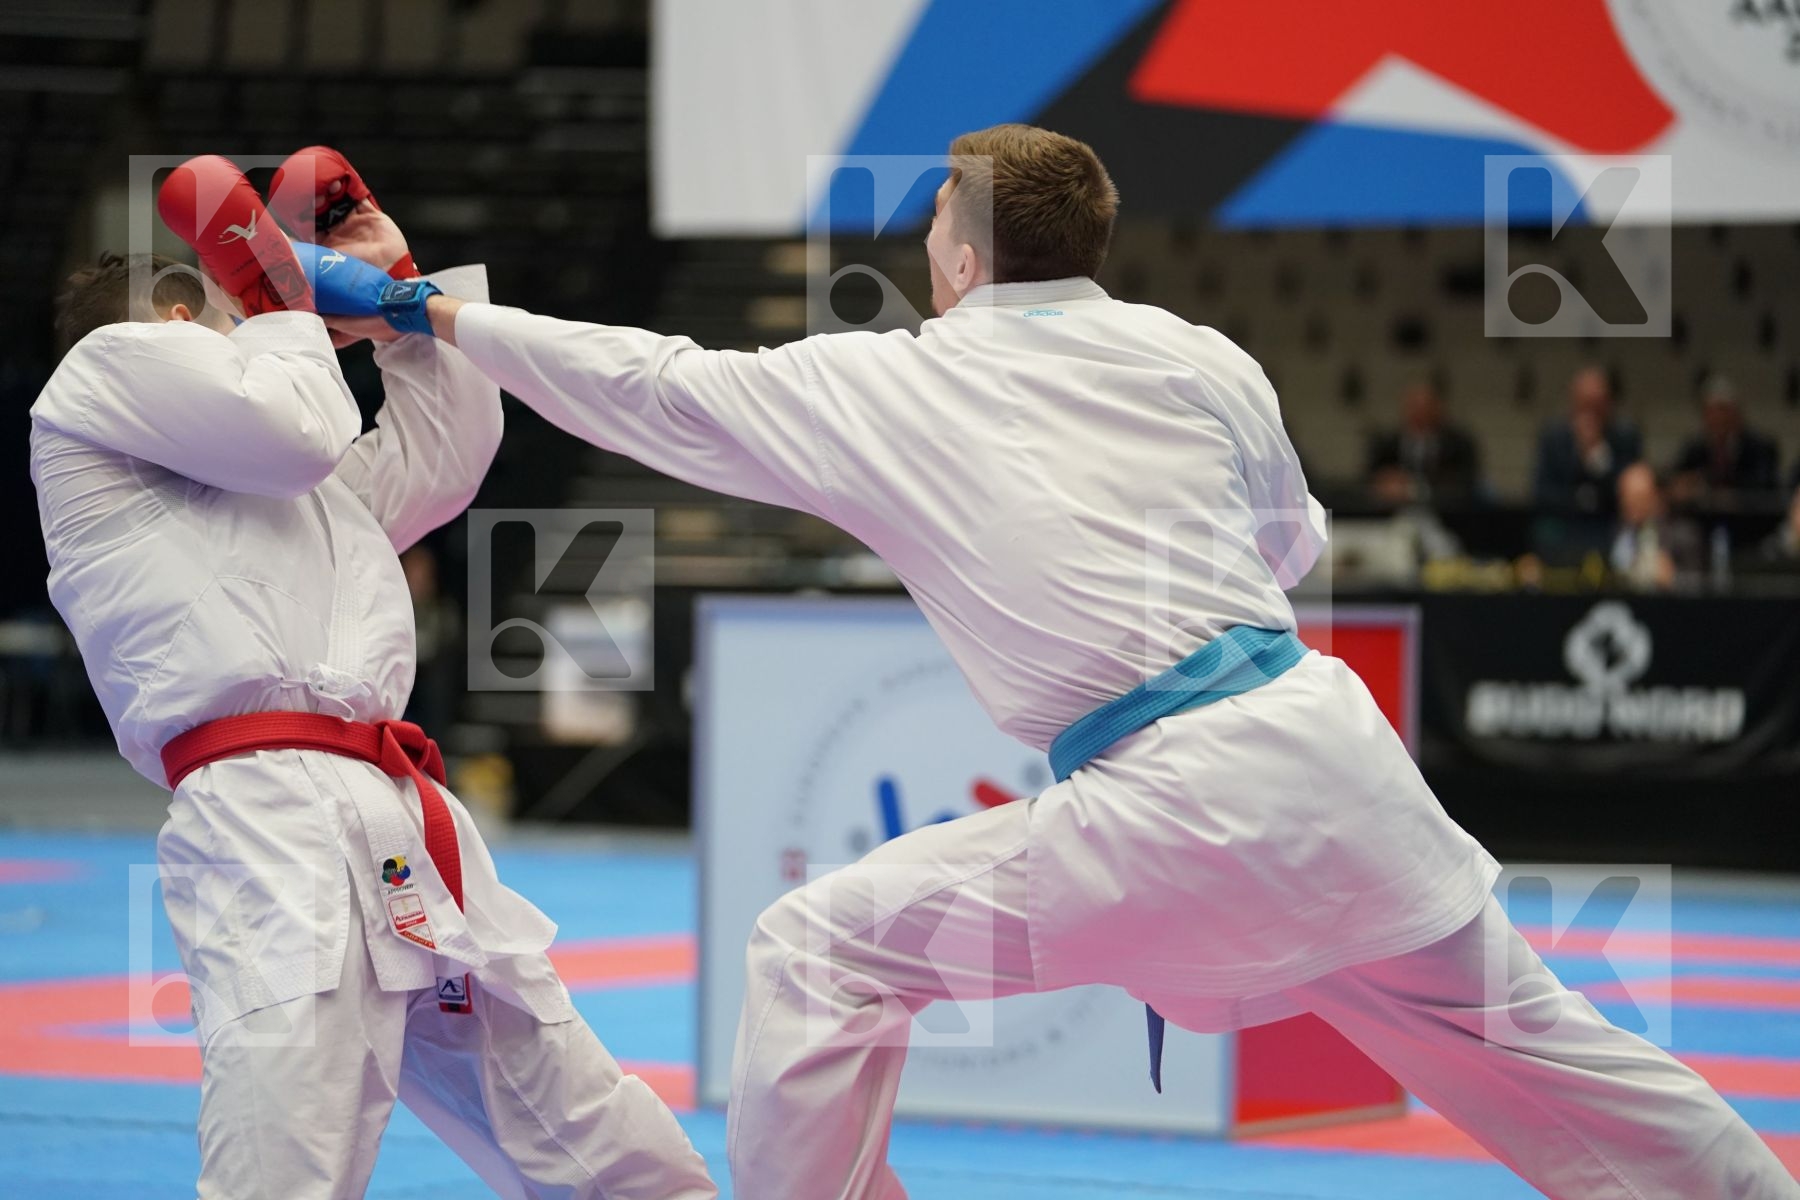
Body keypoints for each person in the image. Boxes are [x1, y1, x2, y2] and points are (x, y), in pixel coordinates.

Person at [325, 125, 1797, 1200]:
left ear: (960, 254)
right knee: (1543, 1049)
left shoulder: (900, 376)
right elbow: (1290, 549)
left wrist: (430, 312)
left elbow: (656, 386)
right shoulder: (1206, 355)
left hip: (1170, 806)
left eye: (928, 242)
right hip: (1327, 764)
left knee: (816, 956)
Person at [30, 152, 714, 1199]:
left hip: (399, 816)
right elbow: (296, 424)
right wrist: (274, 296)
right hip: (267, 819)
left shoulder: (299, 490)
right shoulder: (99, 381)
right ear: (172, 323)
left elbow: (452, 448)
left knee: (591, 1131)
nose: (265, 328)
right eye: (226, 315)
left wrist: (394, 287)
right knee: (287, 1154)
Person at [1533, 365, 1642, 514]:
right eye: (1585, 406)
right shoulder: (1553, 437)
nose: (1590, 416)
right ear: (1573, 405)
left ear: (1609, 405)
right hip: (1565, 521)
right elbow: (1541, 493)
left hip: (1611, 522)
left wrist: (1598, 454)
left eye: (1597, 407)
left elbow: (1629, 495)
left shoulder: (1626, 437)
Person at [1363, 376, 1483, 506]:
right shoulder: (1385, 443)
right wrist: (1385, 482)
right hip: (1392, 512)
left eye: (1426, 406)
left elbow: (1467, 480)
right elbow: (1368, 478)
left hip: (1446, 512)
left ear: (1438, 408)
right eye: (1414, 406)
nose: (1420, 412)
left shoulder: (1460, 443)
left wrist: (1417, 488)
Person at [1668, 374, 1782, 509]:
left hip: (1750, 520)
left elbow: (1764, 486)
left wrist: (1727, 493)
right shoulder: (1694, 448)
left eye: (1722, 410)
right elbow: (1677, 479)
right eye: (1711, 411)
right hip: (1703, 521)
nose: (1717, 418)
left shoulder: (1761, 447)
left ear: (1736, 412)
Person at [1610, 463, 1704, 592]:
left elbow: (1703, 585)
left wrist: (1674, 578)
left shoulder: (1682, 534)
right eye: (1625, 498)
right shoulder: (1621, 530)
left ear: (1654, 496)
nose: (1629, 505)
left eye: (1638, 498)